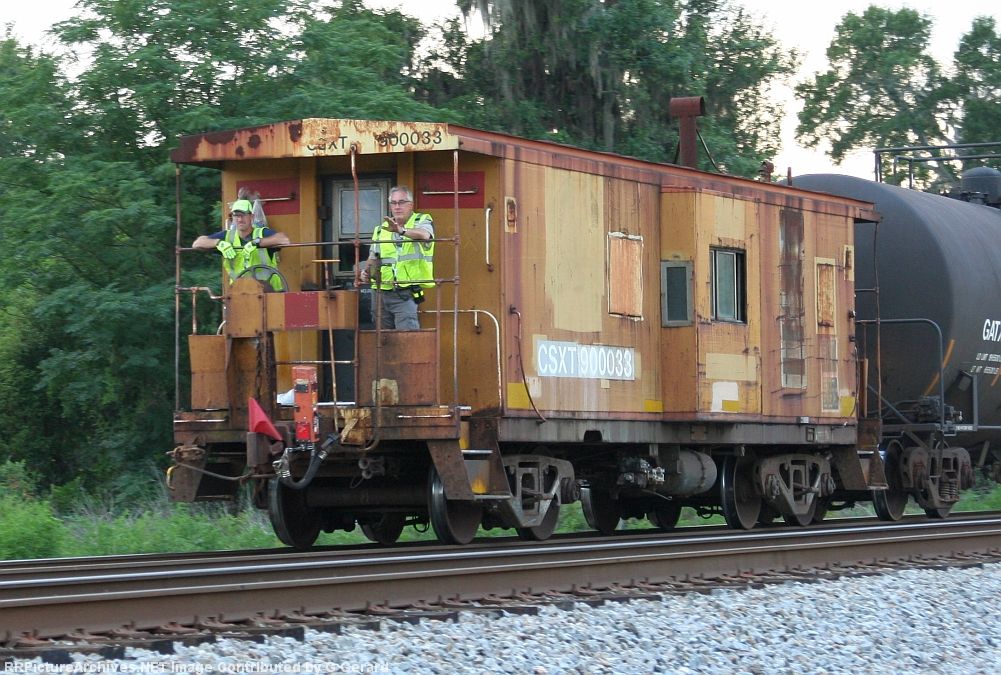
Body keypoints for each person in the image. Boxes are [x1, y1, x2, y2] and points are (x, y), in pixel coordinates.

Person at [359, 186, 434, 329]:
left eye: (401, 202)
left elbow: (425, 235)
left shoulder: (422, 220)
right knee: (383, 342)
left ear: (410, 204)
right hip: (380, 293)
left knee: (407, 340)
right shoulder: (381, 230)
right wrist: (366, 273)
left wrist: (401, 230)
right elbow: (374, 257)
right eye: (393, 203)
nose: (397, 206)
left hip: (405, 293)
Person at [192, 198, 291, 290]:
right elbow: (197, 243)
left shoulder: (262, 233)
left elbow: (284, 240)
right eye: (236, 215)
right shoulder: (227, 237)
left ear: (251, 216)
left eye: (243, 215)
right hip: (239, 295)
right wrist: (218, 243)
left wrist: (256, 243)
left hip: (270, 294)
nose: (239, 219)